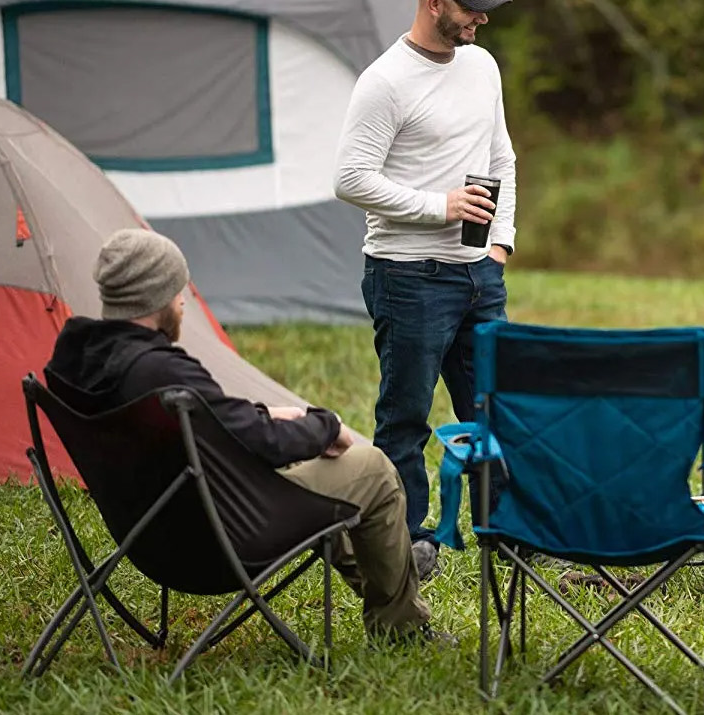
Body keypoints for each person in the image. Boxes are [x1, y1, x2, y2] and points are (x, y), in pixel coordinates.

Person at [45, 228, 450, 645]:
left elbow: (214, 422)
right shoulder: (158, 371)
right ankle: (400, 623)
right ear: (159, 296)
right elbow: (260, 443)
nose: (183, 303)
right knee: (371, 468)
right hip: (219, 542)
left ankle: (388, 570)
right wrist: (325, 426)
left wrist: (266, 414)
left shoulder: (77, 359)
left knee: (324, 475)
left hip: (148, 536)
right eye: (179, 291)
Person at [333, 0, 517, 580]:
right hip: (408, 276)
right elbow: (350, 178)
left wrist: (500, 246)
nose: (481, 20)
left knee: (494, 406)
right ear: (433, 2)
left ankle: (505, 529)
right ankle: (405, 541)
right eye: (471, 8)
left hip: (479, 275)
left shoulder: (482, 65)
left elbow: (501, 158)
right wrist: (441, 208)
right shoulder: (384, 81)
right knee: (406, 417)